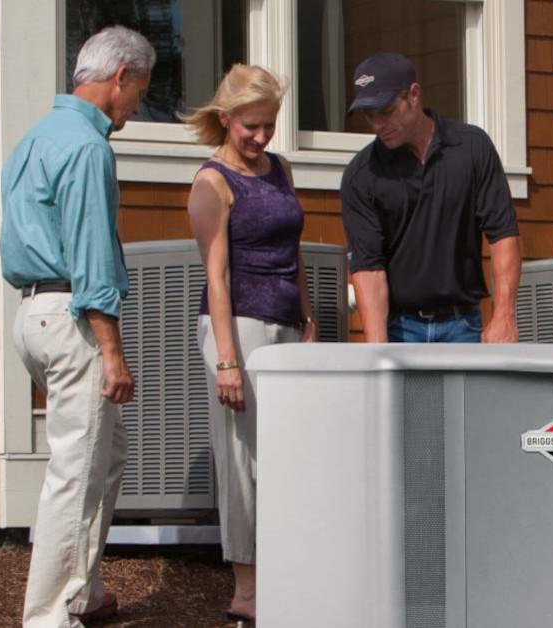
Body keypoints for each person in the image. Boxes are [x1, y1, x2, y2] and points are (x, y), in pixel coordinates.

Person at [0, 26, 153, 628]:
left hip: (32, 316)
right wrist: (111, 350)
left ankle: (82, 593)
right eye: (141, 89)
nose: (138, 105)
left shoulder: (33, 139)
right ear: (121, 78)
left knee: (104, 452)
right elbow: (91, 255)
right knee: (76, 469)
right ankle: (46, 618)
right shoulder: (88, 148)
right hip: (72, 318)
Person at [183, 64, 316, 623]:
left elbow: (294, 249)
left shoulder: (280, 169)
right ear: (225, 119)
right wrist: (228, 361)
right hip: (237, 328)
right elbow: (216, 277)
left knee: (285, 454)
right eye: (251, 127)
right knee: (241, 458)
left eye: (270, 125)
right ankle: (246, 586)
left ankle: (283, 567)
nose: (261, 138)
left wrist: (308, 316)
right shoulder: (211, 183)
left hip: (287, 327)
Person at [340, 52, 521, 343]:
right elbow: (368, 269)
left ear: (414, 95)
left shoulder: (471, 148)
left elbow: (503, 236)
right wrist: (377, 351)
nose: (377, 125)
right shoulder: (362, 175)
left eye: (385, 111)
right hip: (400, 330)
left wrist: (504, 316)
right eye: (369, 116)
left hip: (464, 325)